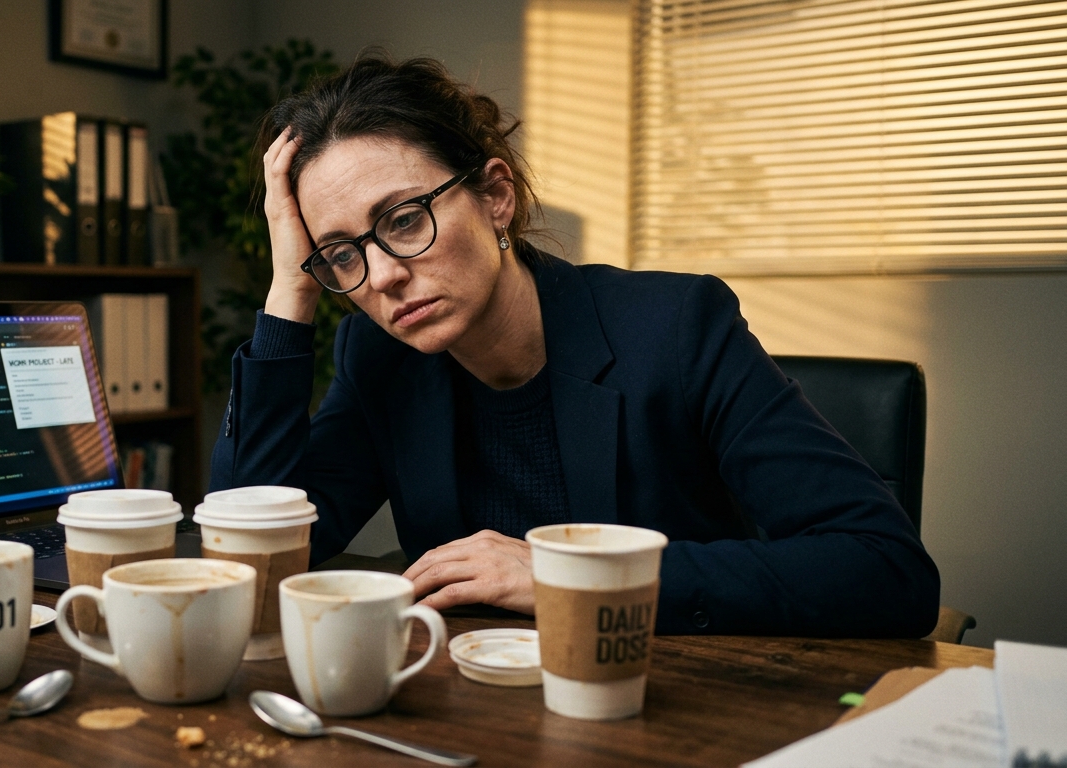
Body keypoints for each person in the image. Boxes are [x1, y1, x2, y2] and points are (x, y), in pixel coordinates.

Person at [209, 53, 940, 637]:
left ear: (496, 196)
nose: (385, 276)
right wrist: (289, 293)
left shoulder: (677, 326)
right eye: (342, 253)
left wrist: (573, 577)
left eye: (403, 220)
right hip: (478, 714)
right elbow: (254, 554)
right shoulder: (382, 358)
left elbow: (885, 570)